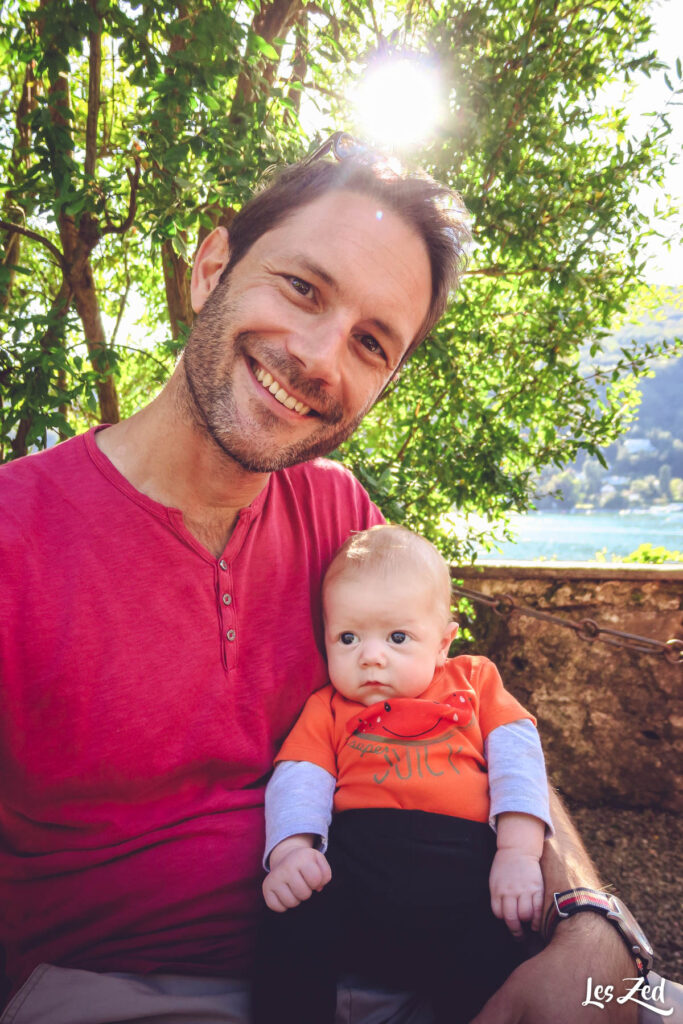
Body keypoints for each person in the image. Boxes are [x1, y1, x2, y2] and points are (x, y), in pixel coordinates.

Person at [0, 136, 659, 1023]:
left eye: (370, 342)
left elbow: (477, 716)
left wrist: (586, 921)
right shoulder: (18, 535)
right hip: (119, 986)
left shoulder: (341, 518)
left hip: (401, 956)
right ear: (210, 268)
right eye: (303, 288)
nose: (317, 355)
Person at [253, 524, 552, 1024]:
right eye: (347, 637)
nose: (370, 656)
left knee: (500, 941)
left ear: (442, 642)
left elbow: (517, 756)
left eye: (397, 637)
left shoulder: (473, 678)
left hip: (466, 869)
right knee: (290, 920)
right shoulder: (328, 706)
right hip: (357, 864)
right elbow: (299, 777)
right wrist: (291, 853)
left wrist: (519, 852)